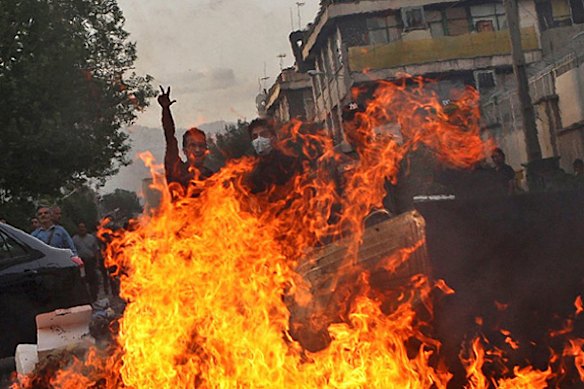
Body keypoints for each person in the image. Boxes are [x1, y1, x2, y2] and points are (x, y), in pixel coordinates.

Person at [157, 86, 213, 195]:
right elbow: (170, 138)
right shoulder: (177, 170)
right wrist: (166, 110)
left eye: (201, 145)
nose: (197, 150)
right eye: (192, 145)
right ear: (185, 150)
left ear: (206, 150)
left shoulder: (211, 176)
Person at [246, 118, 300, 194]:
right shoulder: (250, 168)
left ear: (273, 137)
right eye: (255, 136)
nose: (259, 139)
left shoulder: (288, 162)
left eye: (263, 135)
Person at [73, 222, 101, 301]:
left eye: (83, 227)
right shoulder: (74, 239)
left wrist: (97, 262)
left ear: (86, 228)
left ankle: (94, 297)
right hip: (80, 263)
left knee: (93, 280)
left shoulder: (91, 238)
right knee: (82, 281)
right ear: (78, 229)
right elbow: (72, 252)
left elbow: (96, 250)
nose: (82, 229)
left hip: (90, 262)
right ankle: (85, 299)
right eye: (80, 227)